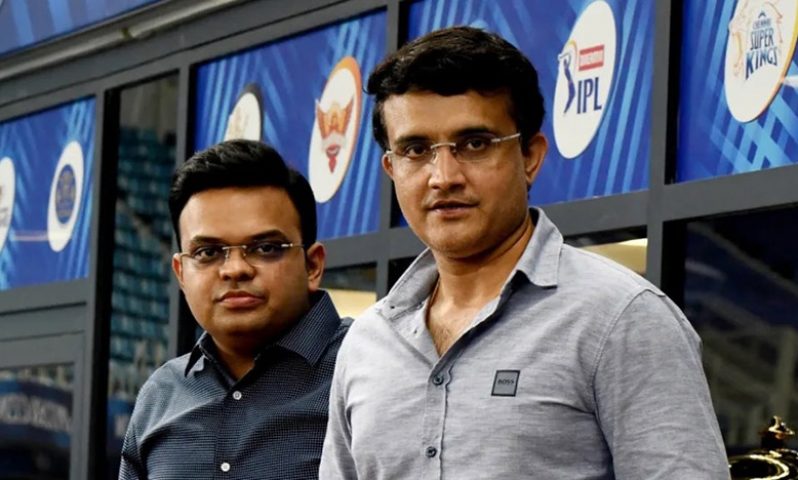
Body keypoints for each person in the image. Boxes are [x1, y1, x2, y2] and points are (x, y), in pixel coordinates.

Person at [319, 26, 729, 479]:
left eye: (474, 144)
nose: (444, 176)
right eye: (416, 149)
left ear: (530, 156)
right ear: (391, 168)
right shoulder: (368, 342)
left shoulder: (620, 319)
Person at [120, 140, 349, 479]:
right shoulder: (161, 396)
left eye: (265, 247)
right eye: (208, 253)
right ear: (181, 273)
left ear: (312, 265)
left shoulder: (367, 366)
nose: (235, 269)